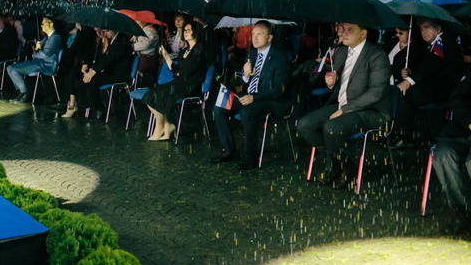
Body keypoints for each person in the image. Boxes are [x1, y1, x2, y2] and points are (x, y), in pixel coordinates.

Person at [297, 22, 391, 187]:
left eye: (350, 30)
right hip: (341, 104)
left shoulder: (377, 55)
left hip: (369, 111)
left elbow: (376, 93)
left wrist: (346, 109)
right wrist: (331, 83)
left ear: (363, 34)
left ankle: (334, 167)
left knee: (331, 128)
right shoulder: (341, 51)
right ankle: (344, 162)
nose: (343, 33)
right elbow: (340, 84)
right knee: (305, 125)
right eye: (343, 29)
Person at [211, 21, 291, 170]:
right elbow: (242, 82)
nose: (255, 38)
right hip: (250, 96)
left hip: (270, 100)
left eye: (260, 34)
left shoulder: (279, 57)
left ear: (270, 37)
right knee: (219, 108)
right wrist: (246, 76)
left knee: (248, 111)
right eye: (253, 34)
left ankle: (250, 158)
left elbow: (278, 89)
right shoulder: (252, 54)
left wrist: (254, 97)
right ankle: (229, 150)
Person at [396, 19, 464, 141]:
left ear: (437, 28)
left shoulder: (442, 41)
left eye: (427, 27)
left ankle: (402, 134)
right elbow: (430, 66)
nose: (423, 32)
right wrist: (411, 72)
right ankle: (408, 134)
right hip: (436, 88)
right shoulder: (433, 44)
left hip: (446, 90)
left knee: (406, 93)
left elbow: (433, 64)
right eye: (421, 29)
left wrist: (409, 80)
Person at [142, 22, 207, 141]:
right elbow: (177, 70)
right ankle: (167, 126)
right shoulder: (185, 50)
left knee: (158, 95)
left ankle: (160, 128)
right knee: (149, 95)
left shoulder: (199, 49)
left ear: (196, 32)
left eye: (189, 30)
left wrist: (178, 73)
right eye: (185, 30)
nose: (185, 32)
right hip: (180, 83)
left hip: (191, 86)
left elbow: (187, 71)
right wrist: (166, 56)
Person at [61, 28, 132, 119]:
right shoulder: (112, 40)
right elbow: (101, 57)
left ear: (114, 29)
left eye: (107, 31)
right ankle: (86, 105)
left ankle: (98, 108)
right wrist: (90, 67)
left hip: (119, 75)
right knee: (80, 77)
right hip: (110, 72)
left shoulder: (122, 40)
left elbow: (109, 58)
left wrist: (93, 71)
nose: (105, 33)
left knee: (92, 80)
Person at [432, 75, 471, 235]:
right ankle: (461, 211)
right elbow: (457, 98)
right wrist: (468, 121)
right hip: (463, 129)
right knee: (443, 154)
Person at [6, 17, 63, 103]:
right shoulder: (47, 37)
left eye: (43, 23)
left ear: (51, 24)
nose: (41, 26)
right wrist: (37, 48)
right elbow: (39, 50)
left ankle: (24, 93)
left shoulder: (55, 37)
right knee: (9, 68)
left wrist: (35, 53)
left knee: (14, 70)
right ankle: (20, 91)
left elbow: (44, 55)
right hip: (38, 62)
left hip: (46, 65)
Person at [131, 19, 160, 87]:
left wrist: (132, 46)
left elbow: (145, 44)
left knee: (144, 79)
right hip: (142, 58)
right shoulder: (142, 29)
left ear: (144, 21)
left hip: (148, 59)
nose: (137, 22)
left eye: (138, 21)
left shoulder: (150, 30)